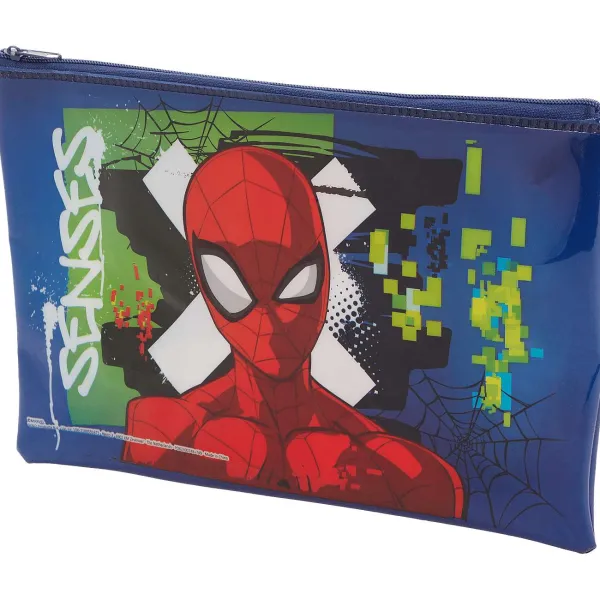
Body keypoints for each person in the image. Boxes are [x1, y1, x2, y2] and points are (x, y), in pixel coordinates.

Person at [123, 146, 463, 519]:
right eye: (231, 286)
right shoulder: (163, 432)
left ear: (326, 274)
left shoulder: (402, 472)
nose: (269, 319)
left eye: (297, 282)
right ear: (205, 286)